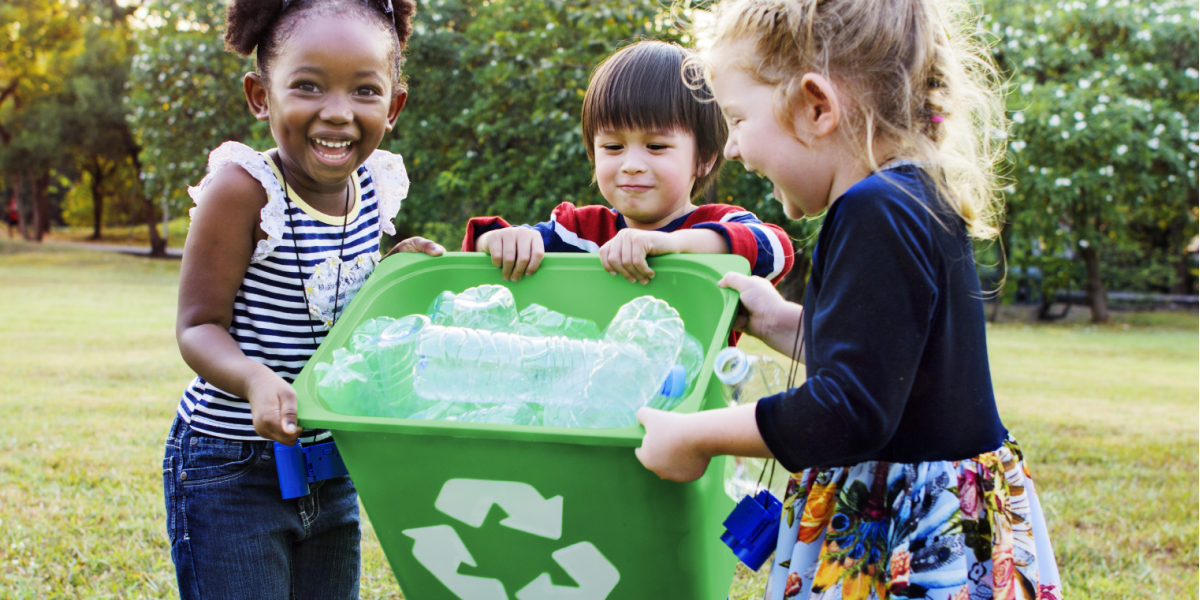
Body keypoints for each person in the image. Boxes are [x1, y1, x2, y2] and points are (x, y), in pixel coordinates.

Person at [634, 1, 1062, 599]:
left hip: (904, 531)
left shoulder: (873, 209)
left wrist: (695, 434)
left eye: (737, 120)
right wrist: (780, 320)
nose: (732, 148)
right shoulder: (912, 194)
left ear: (815, 108)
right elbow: (887, 365)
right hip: (946, 508)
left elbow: (849, 410)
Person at [165, 1, 442, 598]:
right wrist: (254, 380)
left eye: (364, 91)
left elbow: (337, 308)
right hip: (233, 466)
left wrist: (394, 278)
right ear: (261, 96)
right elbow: (197, 325)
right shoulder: (242, 191)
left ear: (392, 106)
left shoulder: (374, 187)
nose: (337, 113)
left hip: (330, 464)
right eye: (308, 86)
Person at [461, 40, 794, 288]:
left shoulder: (717, 224)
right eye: (613, 146)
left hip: (697, 383)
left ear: (704, 158)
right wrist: (500, 241)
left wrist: (673, 244)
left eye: (656, 146)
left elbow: (777, 250)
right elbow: (482, 248)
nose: (631, 164)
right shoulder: (580, 234)